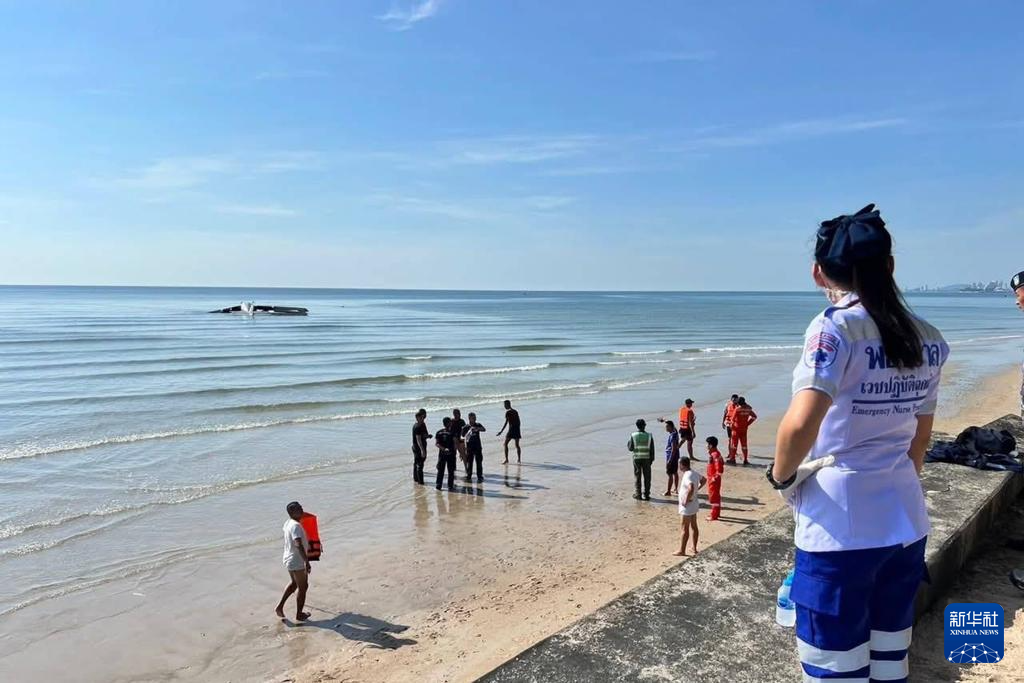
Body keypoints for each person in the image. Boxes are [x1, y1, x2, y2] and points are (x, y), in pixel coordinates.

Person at [768, 204, 948, 682]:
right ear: (889, 266)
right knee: (889, 655)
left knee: (834, 666)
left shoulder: (834, 328)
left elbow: (799, 425)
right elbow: (919, 439)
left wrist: (781, 478)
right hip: (905, 521)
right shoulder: (928, 337)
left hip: (840, 528)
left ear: (819, 272)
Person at [275, 501, 312, 622]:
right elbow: (297, 543)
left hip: (289, 559)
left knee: (294, 584)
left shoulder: (288, 523)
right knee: (303, 586)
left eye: (301, 507)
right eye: (298, 509)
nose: (301, 510)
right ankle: (299, 614)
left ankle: (279, 607)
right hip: (296, 561)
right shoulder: (295, 526)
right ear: (291, 512)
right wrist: (306, 561)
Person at [674, 457, 706, 556]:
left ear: (682, 465)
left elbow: (691, 487)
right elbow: (704, 480)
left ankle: (682, 550)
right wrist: (697, 489)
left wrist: (685, 500)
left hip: (687, 506)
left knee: (685, 528)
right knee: (694, 526)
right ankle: (694, 548)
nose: (678, 466)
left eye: (679, 464)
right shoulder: (694, 473)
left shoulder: (687, 475)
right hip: (694, 503)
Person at [627, 418, 656, 500]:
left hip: (637, 458)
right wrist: (652, 459)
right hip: (647, 458)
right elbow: (652, 449)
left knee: (637, 476)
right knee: (647, 477)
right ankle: (646, 494)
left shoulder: (633, 435)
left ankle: (638, 494)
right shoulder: (649, 435)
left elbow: (630, 448)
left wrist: (628, 443)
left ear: (637, 426)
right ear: (644, 425)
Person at [727, 397, 757, 466]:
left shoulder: (737, 409)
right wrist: (748, 423)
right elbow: (754, 417)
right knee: (744, 445)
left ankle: (732, 459)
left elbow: (732, 420)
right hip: (744, 429)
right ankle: (745, 460)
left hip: (736, 429)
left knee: (734, 445)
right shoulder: (748, 409)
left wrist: (730, 425)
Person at [463, 412, 487, 482]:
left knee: (479, 462)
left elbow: (484, 429)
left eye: (475, 417)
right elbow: (462, 436)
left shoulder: (478, 424)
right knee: (469, 462)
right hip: (469, 447)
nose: (475, 419)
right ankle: (469, 475)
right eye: (473, 418)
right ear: (469, 418)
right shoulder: (466, 427)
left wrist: (477, 429)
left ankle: (479, 476)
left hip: (477, 446)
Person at [705, 436, 725, 521]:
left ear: (710, 445)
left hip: (714, 479)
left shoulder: (715, 454)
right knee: (716, 496)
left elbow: (719, 469)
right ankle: (716, 513)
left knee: (713, 497)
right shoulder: (714, 453)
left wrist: (714, 478)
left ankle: (714, 515)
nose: (706, 446)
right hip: (712, 478)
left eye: (707, 444)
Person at [435, 417, 457, 491]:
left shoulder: (439, 432)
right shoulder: (453, 432)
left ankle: (438, 486)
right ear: (448, 423)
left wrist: (443, 449)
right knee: (451, 471)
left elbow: (437, 444)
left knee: (440, 471)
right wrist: (455, 452)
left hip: (442, 454)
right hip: (451, 454)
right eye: (450, 422)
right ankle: (450, 486)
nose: (451, 423)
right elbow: (455, 443)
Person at [661, 419, 681, 495]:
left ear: (670, 427)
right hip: (675, 456)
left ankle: (668, 491)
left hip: (671, 456)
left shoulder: (672, 436)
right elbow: (674, 426)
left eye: (667, 426)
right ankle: (675, 489)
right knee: (675, 472)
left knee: (669, 474)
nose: (665, 428)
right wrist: (664, 420)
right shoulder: (675, 432)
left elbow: (673, 449)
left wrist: (669, 460)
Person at [411, 408, 429, 484]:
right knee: (420, 464)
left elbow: (423, 435)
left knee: (417, 463)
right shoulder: (417, 427)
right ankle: (421, 482)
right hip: (418, 448)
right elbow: (418, 440)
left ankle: (416, 479)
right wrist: (422, 450)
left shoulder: (421, 425)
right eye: (421, 417)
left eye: (423, 417)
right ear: (417, 418)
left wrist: (427, 436)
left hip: (417, 447)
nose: (422, 419)